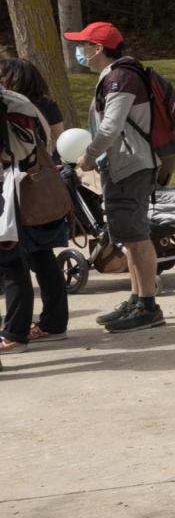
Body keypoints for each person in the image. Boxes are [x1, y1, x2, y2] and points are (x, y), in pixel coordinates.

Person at [65, 22, 165, 334]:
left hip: (130, 167)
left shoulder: (121, 77)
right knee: (129, 236)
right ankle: (137, 299)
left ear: (98, 48)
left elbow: (111, 126)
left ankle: (148, 305)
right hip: (122, 166)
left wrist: (90, 155)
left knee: (135, 236)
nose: (80, 51)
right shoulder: (114, 76)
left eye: (84, 45)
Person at [0, 59, 69, 353]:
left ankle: (16, 331)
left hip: (18, 189)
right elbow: (56, 142)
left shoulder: (12, 106)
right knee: (42, 258)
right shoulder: (44, 106)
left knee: (15, 262)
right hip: (40, 184)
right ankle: (54, 323)